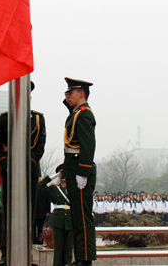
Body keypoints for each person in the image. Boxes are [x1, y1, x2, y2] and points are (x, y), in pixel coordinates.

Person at [0, 81, 46, 266]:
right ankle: (6, 256)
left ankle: (26, 256)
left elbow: (40, 147)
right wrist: (6, 166)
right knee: (9, 215)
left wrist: (27, 165)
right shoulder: (5, 118)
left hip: (30, 172)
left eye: (26, 94)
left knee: (29, 214)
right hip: (10, 172)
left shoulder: (38, 119)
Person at [61, 77, 97, 266]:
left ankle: (85, 259)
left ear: (81, 94)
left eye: (70, 92)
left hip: (80, 170)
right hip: (73, 168)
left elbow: (88, 145)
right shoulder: (76, 113)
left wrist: (83, 171)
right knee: (77, 217)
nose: (67, 96)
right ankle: (80, 257)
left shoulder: (84, 114)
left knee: (83, 216)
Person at [39, 165, 73, 266]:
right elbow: (40, 186)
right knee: (58, 249)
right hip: (58, 220)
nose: (63, 175)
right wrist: (50, 178)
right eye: (61, 173)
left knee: (68, 249)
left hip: (70, 220)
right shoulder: (54, 188)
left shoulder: (73, 188)